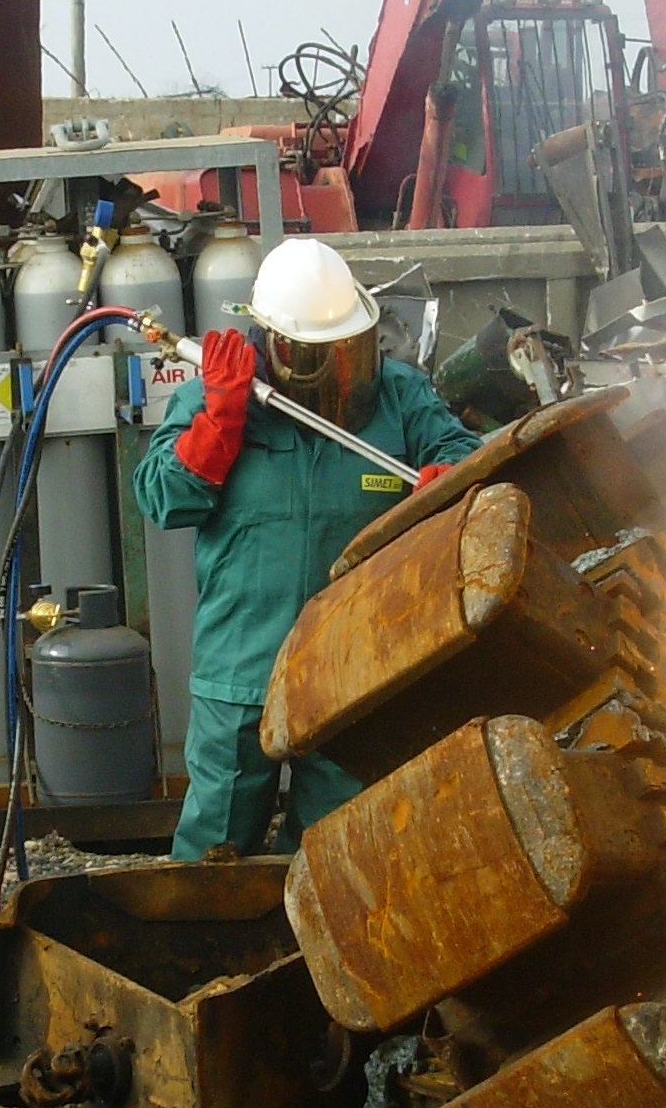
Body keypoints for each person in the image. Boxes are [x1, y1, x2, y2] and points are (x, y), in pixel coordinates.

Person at [134, 236, 478, 860]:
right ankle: (203, 953)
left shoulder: (400, 399)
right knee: (214, 851)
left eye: (346, 351)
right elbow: (163, 499)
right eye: (319, 355)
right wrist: (220, 421)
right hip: (243, 670)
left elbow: (462, 456)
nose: (337, 369)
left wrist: (450, 481)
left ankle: (309, 956)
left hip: (355, 670)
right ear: (274, 342)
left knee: (338, 850)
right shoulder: (216, 399)